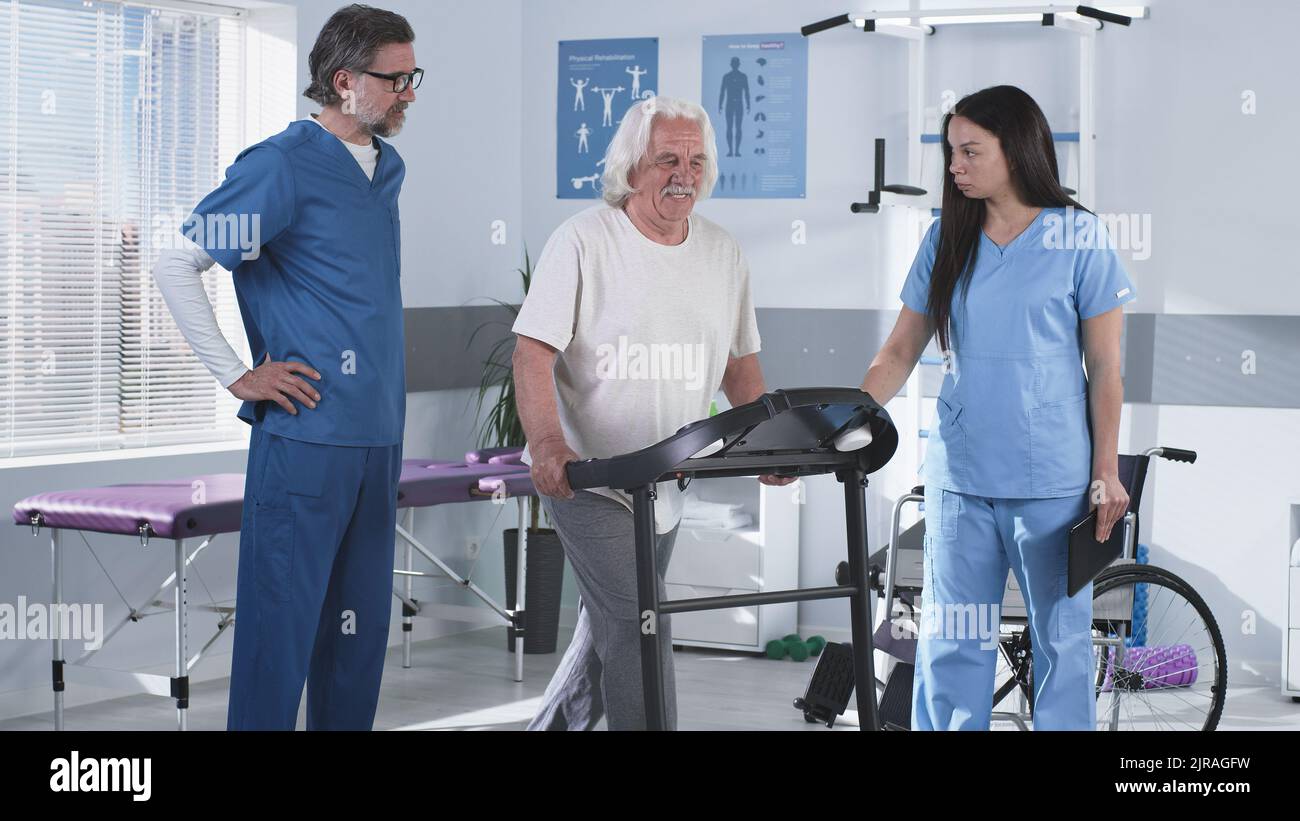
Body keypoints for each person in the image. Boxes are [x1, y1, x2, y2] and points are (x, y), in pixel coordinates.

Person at [151, 4, 419, 730]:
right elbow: (177, 260)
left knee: (356, 645)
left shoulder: (385, 168)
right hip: (305, 440)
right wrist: (237, 374)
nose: (409, 93)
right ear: (343, 81)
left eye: (412, 76)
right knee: (280, 638)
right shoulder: (279, 166)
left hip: (376, 438)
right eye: (395, 79)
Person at [859, 85, 1135, 730]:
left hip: (1053, 481)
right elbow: (899, 351)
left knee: (1061, 644)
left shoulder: (1079, 236)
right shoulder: (946, 238)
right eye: (951, 152)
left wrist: (1106, 471)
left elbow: (1107, 370)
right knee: (954, 642)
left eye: (969, 151)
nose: (954, 166)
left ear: (1015, 149)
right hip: (962, 479)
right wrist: (847, 420)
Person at [513, 96, 792, 730]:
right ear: (631, 167)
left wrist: (770, 446)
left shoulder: (722, 253)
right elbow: (532, 354)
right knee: (642, 627)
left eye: (696, 160)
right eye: (667, 158)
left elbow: (739, 368)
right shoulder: (583, 240)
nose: (684, 174)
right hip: (592, 479)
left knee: (613, 628)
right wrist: (550, 445)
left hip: (666, 481)